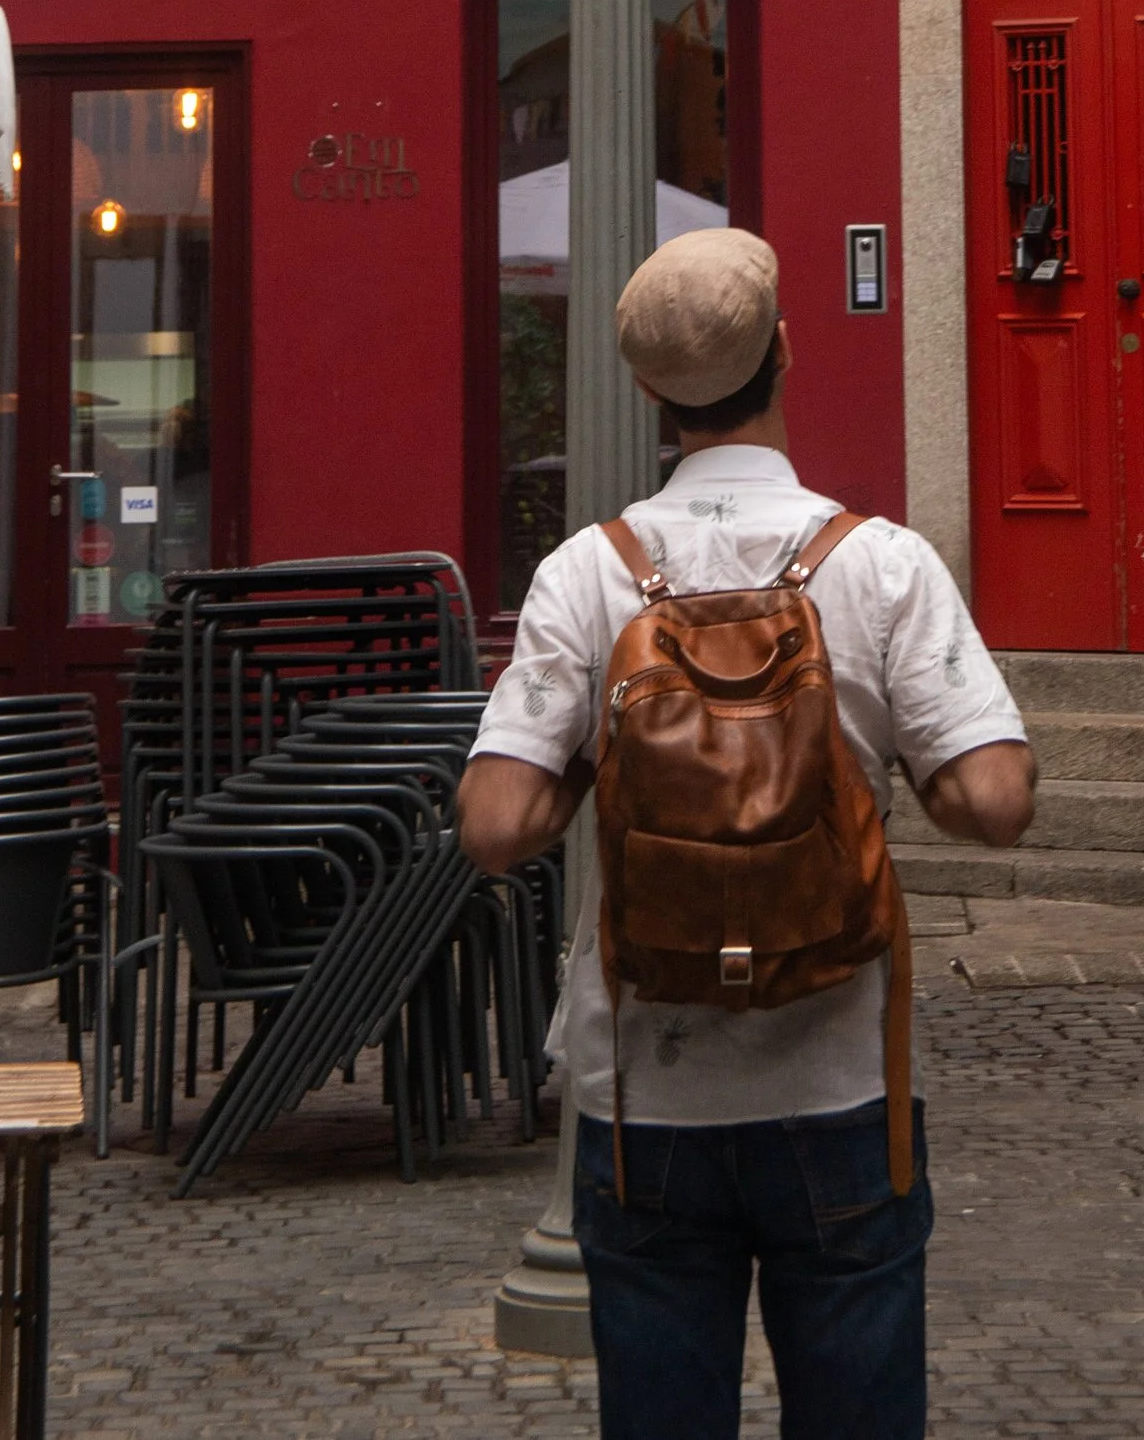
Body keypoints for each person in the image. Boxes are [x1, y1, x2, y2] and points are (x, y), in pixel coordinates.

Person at [459, 226, 1035, 1439]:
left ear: (652, 392)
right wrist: (891, 777)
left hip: (648, 1099)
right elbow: (996, 799)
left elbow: (495, 825)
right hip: (838, 1086)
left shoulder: (585, 574)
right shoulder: (877, 565)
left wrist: (592, 769)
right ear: (785, 350)